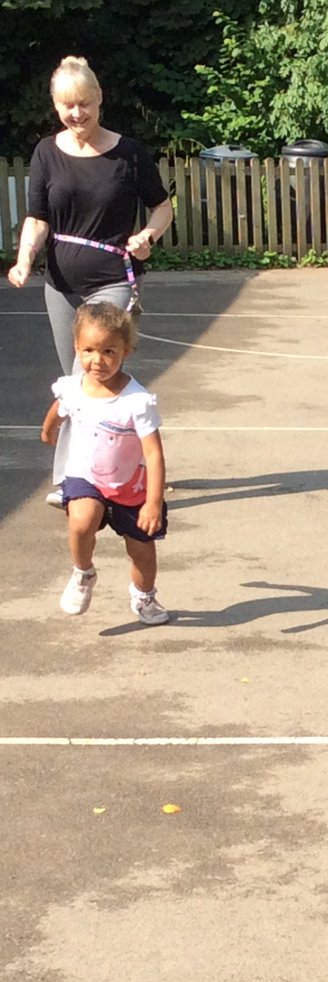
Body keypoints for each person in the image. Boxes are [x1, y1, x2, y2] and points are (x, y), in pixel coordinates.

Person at [7, 55, 173, 502]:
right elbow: (37, 218)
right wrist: (24, 259)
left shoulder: (129, 154)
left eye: (84, 103)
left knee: (90, 373)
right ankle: (81, 475)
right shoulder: (46, 152)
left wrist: (148, 235)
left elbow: (162, 206)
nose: (77, 113)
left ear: (99, 99)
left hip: (113, 279)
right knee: (76, 380)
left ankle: (86, 477)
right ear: (55, 106)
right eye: (67, 106)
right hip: (62, 284)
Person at [40, 301, 170, 625]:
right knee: (81, 522)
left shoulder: (136, 400)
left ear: (126, 351)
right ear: (77, 348)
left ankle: (144, 595)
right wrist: (49, 429)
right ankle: (83, 572)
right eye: (88, 350)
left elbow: (153, 454)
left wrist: (153, 502)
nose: (97, 360)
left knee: (141, 552)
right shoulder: (73, 387)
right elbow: (60, 408)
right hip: (86, 476)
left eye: (109, 352)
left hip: (130, 486)